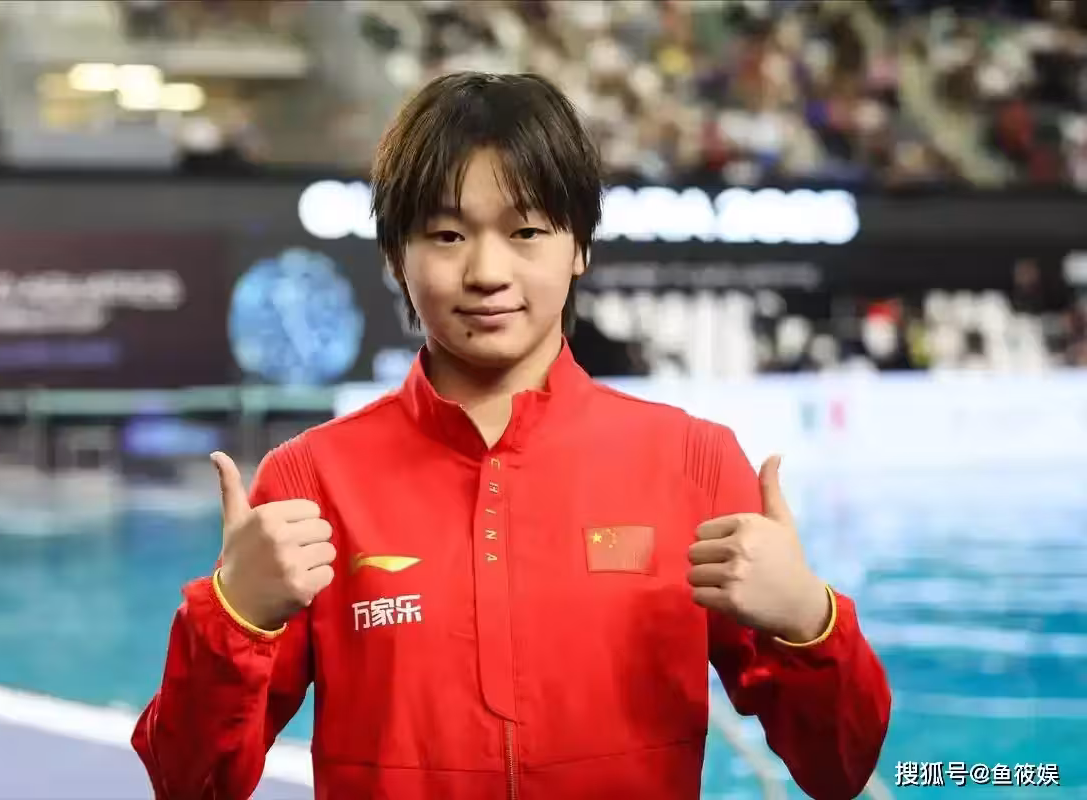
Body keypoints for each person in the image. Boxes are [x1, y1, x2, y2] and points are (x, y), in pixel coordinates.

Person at [133, 71, 891, 800]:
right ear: (396, 257)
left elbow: (838, 767)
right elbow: (190, 785)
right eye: (446, 235)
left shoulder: (694, 463)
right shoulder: (311, 480)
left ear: (580, 246)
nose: (487, 272)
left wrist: (808, 620)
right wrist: (232, 615)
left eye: (526, 231)